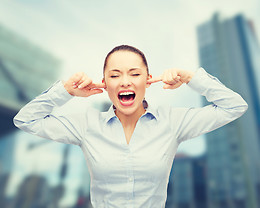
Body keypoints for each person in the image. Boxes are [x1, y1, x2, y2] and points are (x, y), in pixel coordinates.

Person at [13, 45, 248, 208]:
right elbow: (25, 120)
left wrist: (189, 77)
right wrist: (65, 91)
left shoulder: (172, 122)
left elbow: (234, 106)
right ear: (104, 84)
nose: (125, 81)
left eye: (135, 74)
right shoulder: (87, 124)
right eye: (115, 76)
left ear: (148, 80)